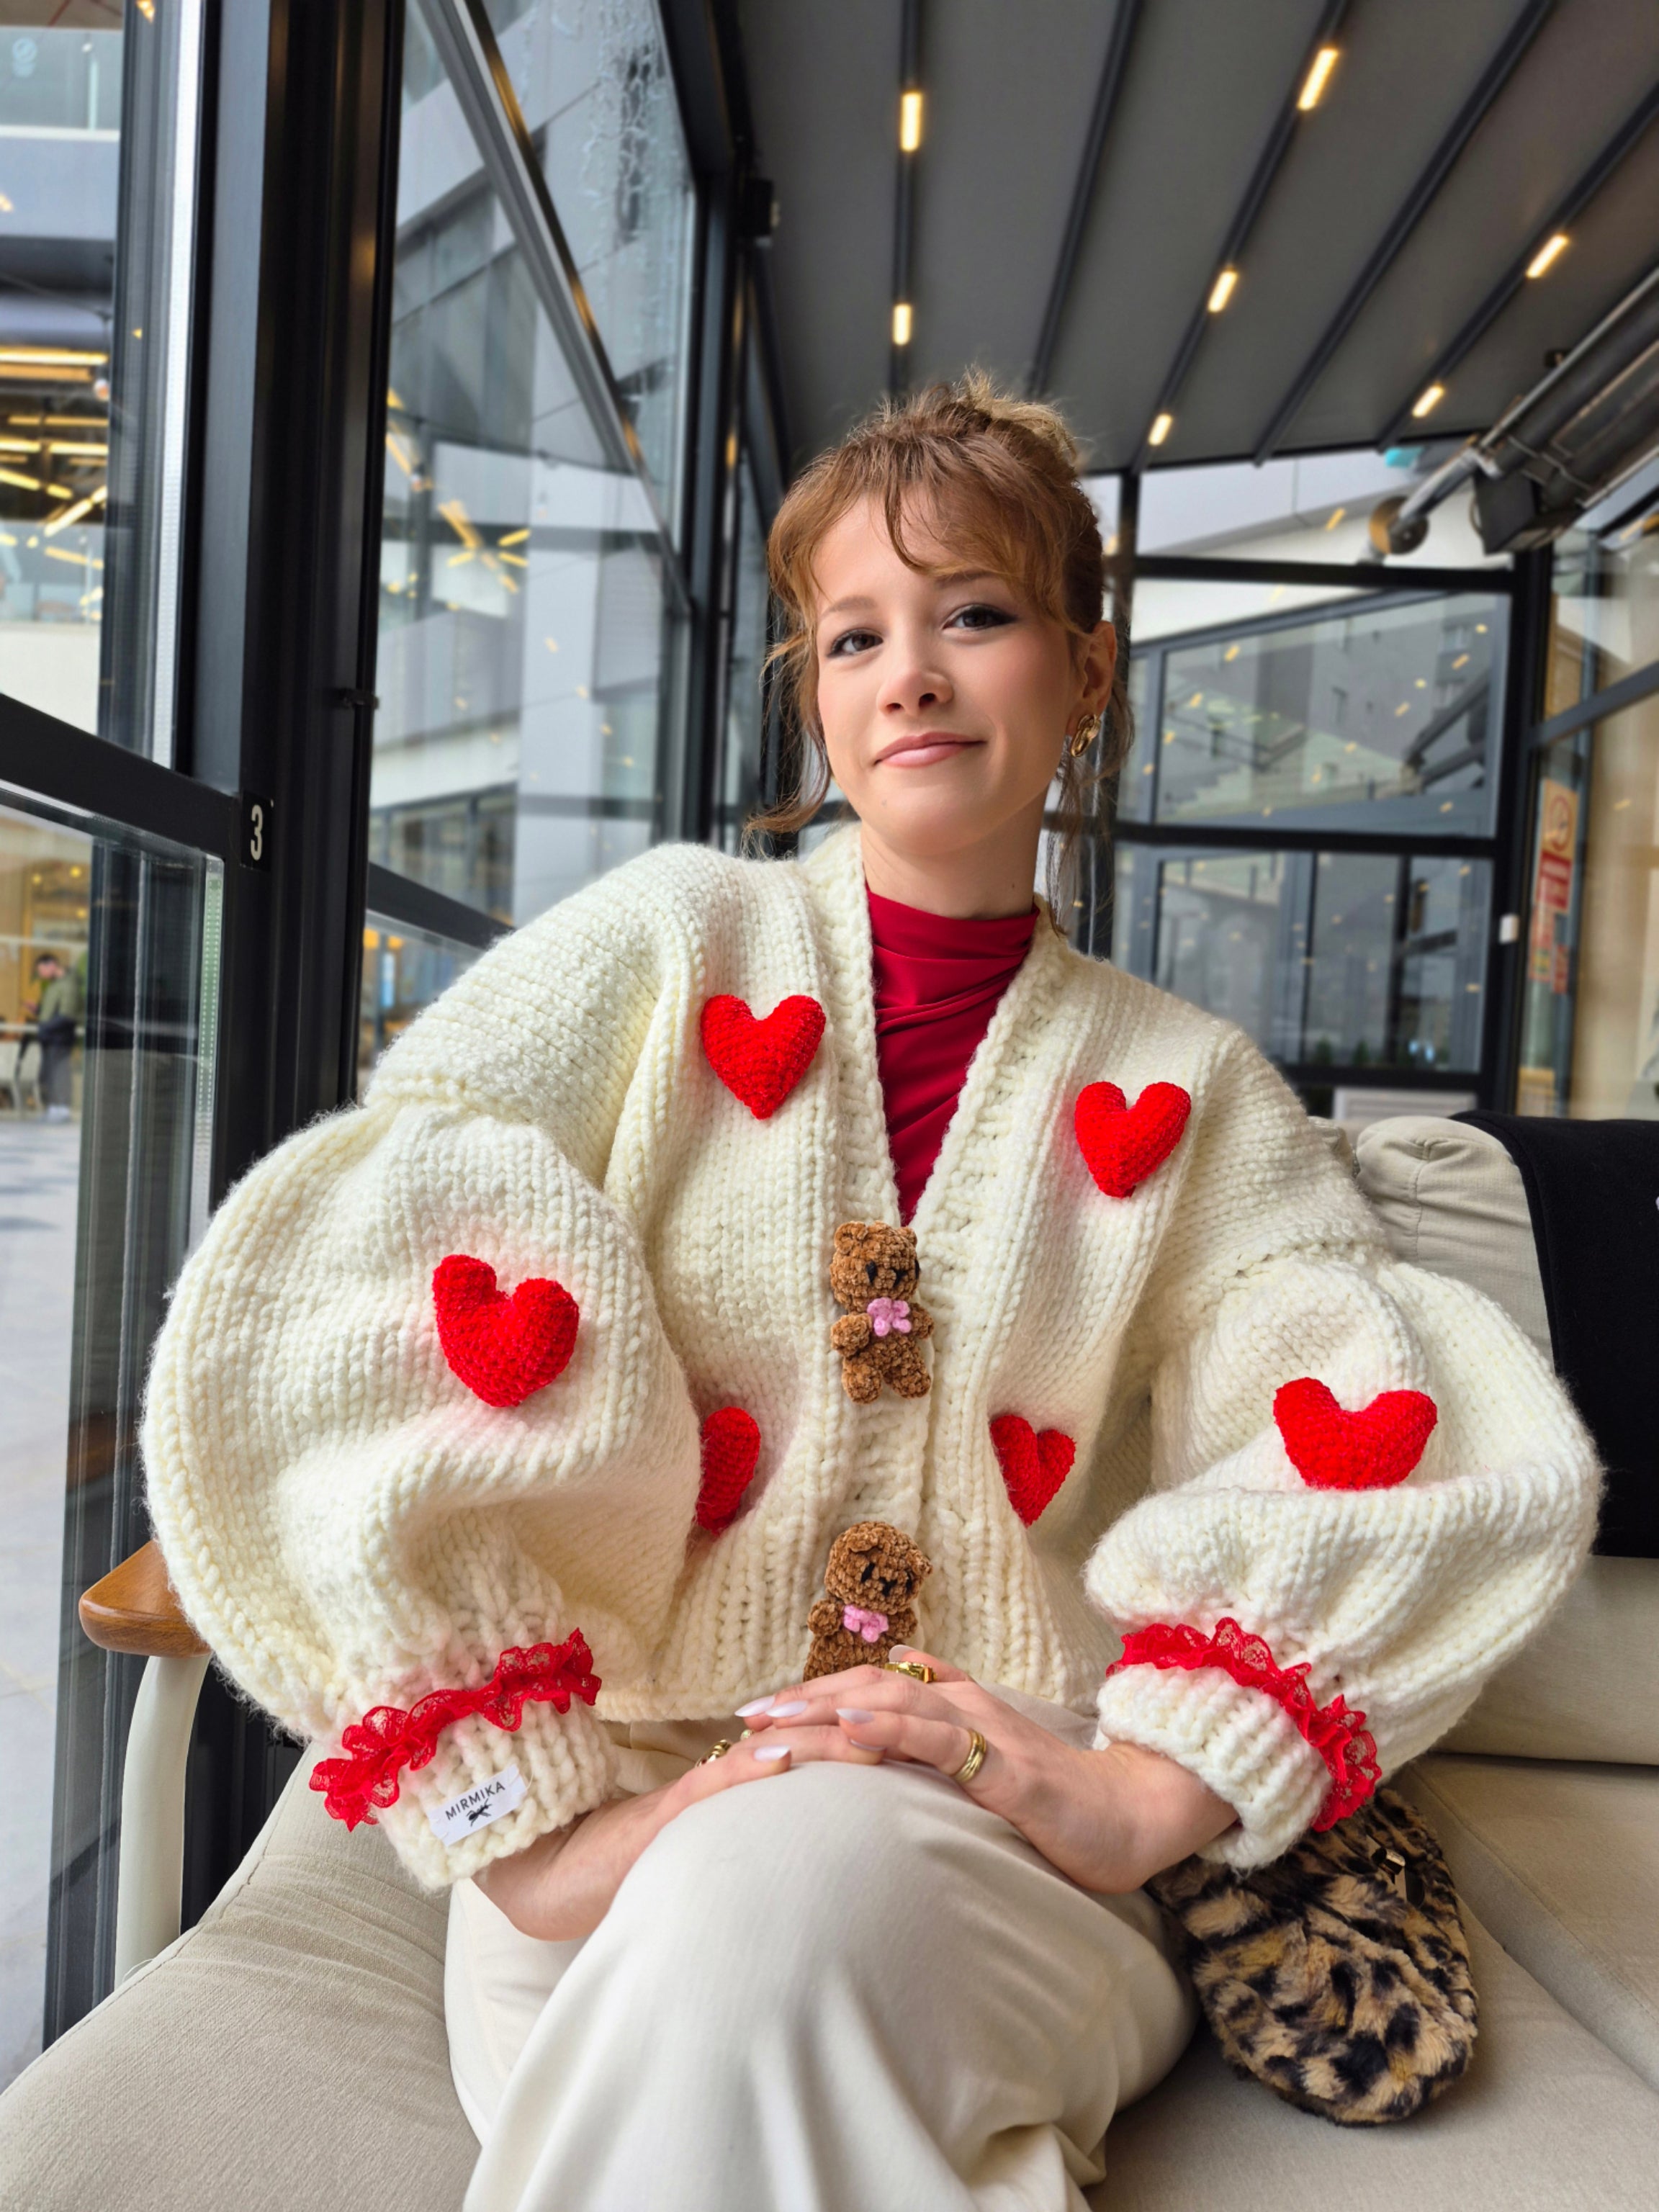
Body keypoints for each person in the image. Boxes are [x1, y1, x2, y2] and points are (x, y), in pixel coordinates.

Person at [141, 377, 1598, 2212]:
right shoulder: (661, 948)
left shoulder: (1201, 1092)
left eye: (972, 614)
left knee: (770, 1918)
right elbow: (385, 1267)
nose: (909, 671)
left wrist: (1148, 1789)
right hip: (616, 1839)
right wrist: (533, 1825)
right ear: (817, 693)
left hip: (1001, 1823)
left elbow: (1354, 1422)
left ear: (1084, 671)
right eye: (855, 633)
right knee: (749, 1982)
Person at [30, 952, 83, 1123]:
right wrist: (38, 1012)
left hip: (60, 1038)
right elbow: (54, 1012)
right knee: (50, 1073)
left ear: (51, 965)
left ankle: (62, 1108)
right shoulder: (56, 985)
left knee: (60, 1073)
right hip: (51, 1038)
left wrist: (45, 1028)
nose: (41, 975)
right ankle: (54, 1107)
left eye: (42, 970)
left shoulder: (68, 984)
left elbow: (67, 1015)